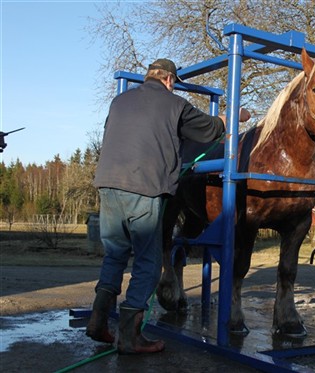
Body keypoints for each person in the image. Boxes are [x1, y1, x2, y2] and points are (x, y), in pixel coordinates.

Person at [86, 58, 250, 354]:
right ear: (170, 81)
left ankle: (98, 319)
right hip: (144, 188)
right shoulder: (175, 105)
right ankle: (130, 336)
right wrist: (233, 117)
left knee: (115, 254)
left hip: (108, 184)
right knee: (148, 264)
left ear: (149, 76)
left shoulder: (119, 102)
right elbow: (211, 130)